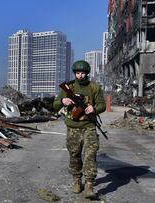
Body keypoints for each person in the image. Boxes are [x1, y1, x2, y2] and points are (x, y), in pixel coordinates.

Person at [53, 60, 106, 198]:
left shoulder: (94, 87)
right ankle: (77, 180)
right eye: (78, 73)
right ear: (75, 73)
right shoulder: (68, 87)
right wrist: (62, 101)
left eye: (82, 73)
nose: (80, 76)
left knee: (90, 155)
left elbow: (102, 105)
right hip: (73, 127)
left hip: (89, 127)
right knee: (74, 155)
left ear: (87, 73)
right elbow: (55, 105)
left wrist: (94, 108)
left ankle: (89, 184)